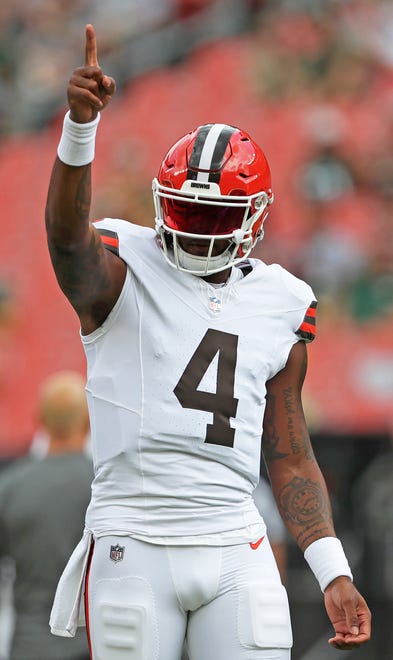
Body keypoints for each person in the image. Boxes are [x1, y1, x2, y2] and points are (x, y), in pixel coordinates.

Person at [45, 24, 371, 660]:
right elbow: (64, 241)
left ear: (255, 217)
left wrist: (331, 567)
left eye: (215, 216)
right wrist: (79, 131)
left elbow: (289, 448)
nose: (198, 232)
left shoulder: (280, 300)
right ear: (162, 205)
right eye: (187, 213)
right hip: (133, 536)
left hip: (235, 541)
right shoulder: (123, 267)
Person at [0, 371, 93, 660]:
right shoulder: (105, 485)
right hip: (95, 643)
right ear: (89, 421)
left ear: (40, 420)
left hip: (31, 646)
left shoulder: (10, 487)